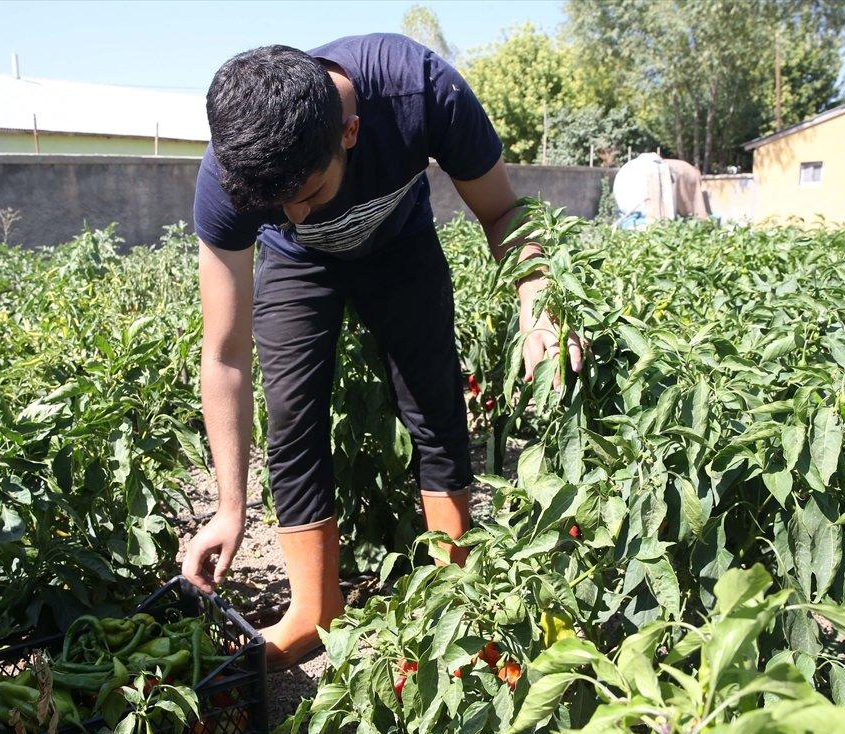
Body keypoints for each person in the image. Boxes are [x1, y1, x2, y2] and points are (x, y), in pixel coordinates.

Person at [180, 34, 582, 670]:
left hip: (400, 246)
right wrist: (231, 508)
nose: (297, 212)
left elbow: (503, 212)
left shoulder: (420, 91)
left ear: (350, 132)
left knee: (433, 400)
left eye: (308, 193)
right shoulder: (234, 174)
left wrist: (538, 298)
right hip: (297, 270)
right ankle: (315, 608)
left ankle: (459, 592)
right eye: (276, 204)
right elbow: (225, 354)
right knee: (292, 414)